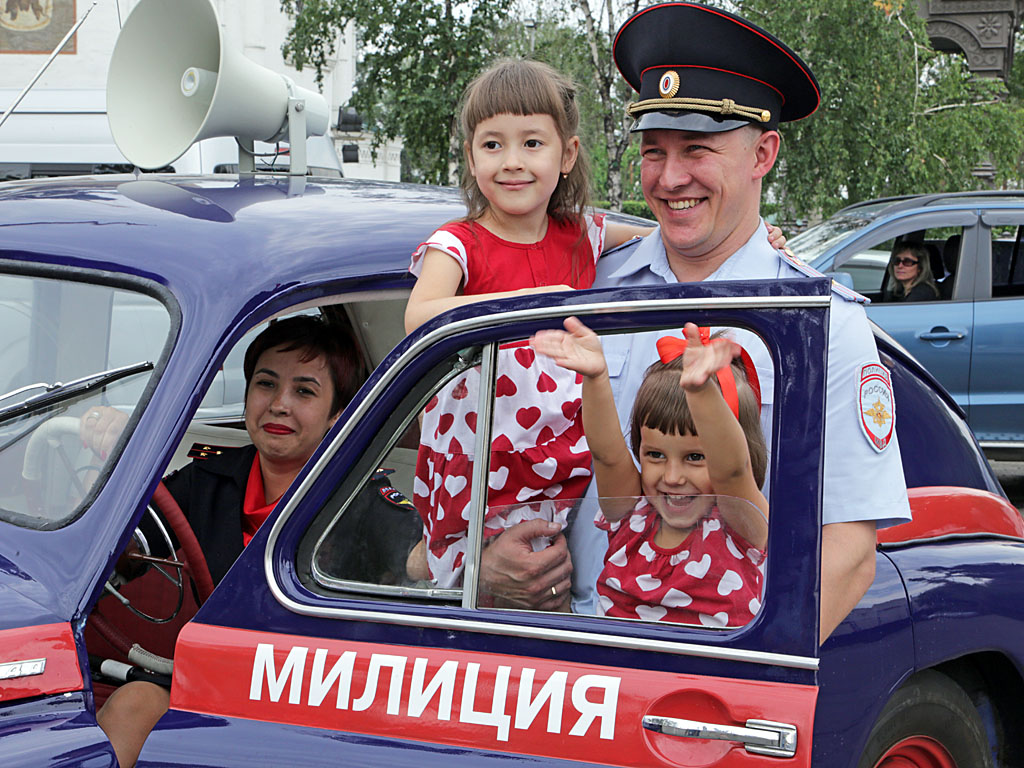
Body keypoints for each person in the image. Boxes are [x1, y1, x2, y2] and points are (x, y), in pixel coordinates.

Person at [523, 2, 911, 644]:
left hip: (712, 678)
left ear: (763, 153)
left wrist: (743, 677)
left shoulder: (821, 325)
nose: (671, 178)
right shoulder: (589, 288)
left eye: (697, 150)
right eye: (654, 152)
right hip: (569, 661)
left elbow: (848, 549)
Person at [88, 315, 421, 768]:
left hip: (318, 707)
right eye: (266, 384)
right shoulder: (206, 480)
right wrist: (112, 473)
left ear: (338, 416)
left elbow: (421, 576)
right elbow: (125, 551)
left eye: (304, 391)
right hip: (211, 686)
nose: (279, 405)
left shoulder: (371, 505)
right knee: (133, 704)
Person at [403, 58, 654, 594]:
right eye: (492, 144)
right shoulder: (459, 243)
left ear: (567, 155)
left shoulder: (581, 234)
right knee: (472, 587)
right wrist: (528, 301)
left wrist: (758, 237)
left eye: (532, 143)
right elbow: (419, 317)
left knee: (548, 587)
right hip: (475, 470)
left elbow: (665, 239)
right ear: (470, 158)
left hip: (557, 468)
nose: (511, 162)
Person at [533, 318, 767, 625]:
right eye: (655, 455)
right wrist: (596, 377)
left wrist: (701, 393)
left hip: (704, 674)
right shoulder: (633, 513)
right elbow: (607, 456)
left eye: (695, 457)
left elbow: (733, 472)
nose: (671, 477)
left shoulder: (742, 523)